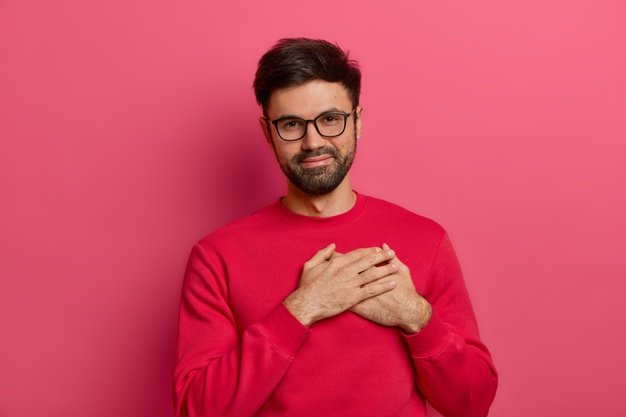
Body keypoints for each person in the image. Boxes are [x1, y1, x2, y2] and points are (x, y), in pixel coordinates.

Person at [173, 38, 498, 417]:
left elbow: (472, 404)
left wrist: (416, 316)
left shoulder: (426, 240)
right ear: (267, 132)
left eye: (330, 119)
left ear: (357, 121)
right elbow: (196, 410)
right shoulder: (217, 257)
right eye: (292, 124)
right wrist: (301, 308)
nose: (313, 142)